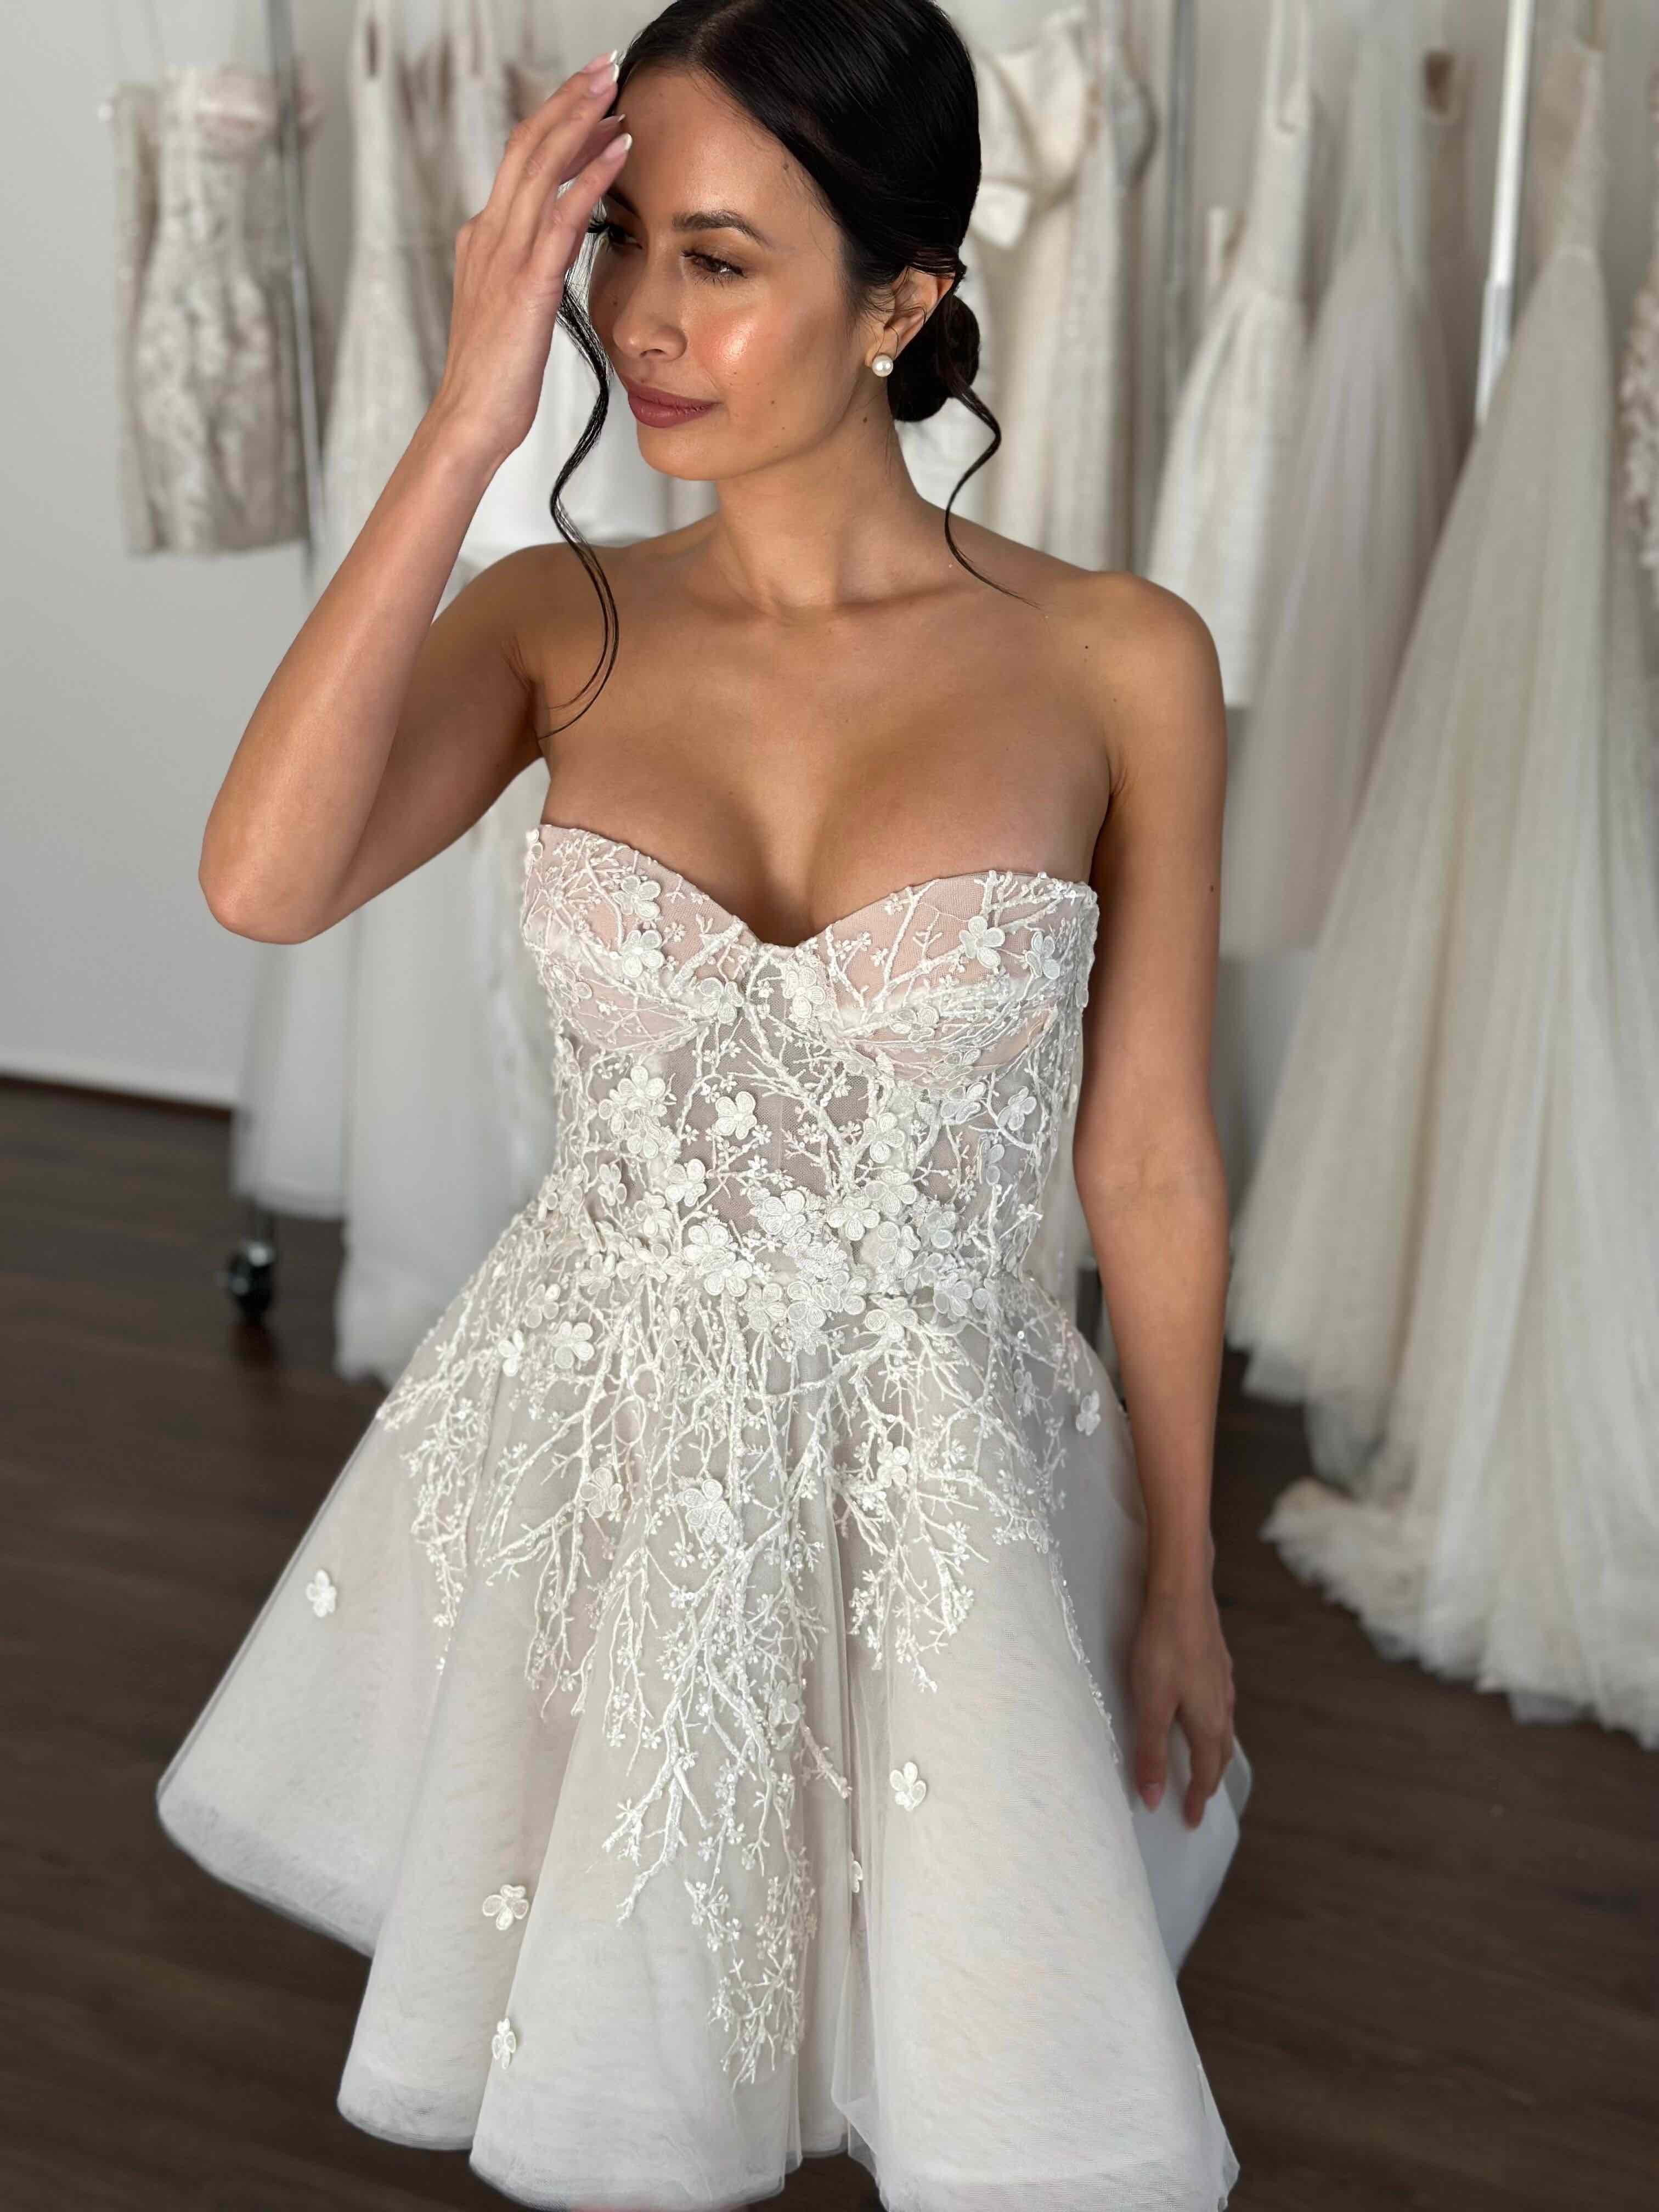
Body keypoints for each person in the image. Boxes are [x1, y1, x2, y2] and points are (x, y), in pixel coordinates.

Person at [158, 6, 1249, 2207]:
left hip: (952, 1480)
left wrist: (1193, 1571)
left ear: (902, 303)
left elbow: (1143, 1148)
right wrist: (470, 431)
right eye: (619, 244)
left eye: (723, 261)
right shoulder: (557, 615)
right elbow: (263, 884)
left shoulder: (1119, 658)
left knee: (964, 2052)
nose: (642, 323)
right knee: (634, 2071)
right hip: (597, 1480)